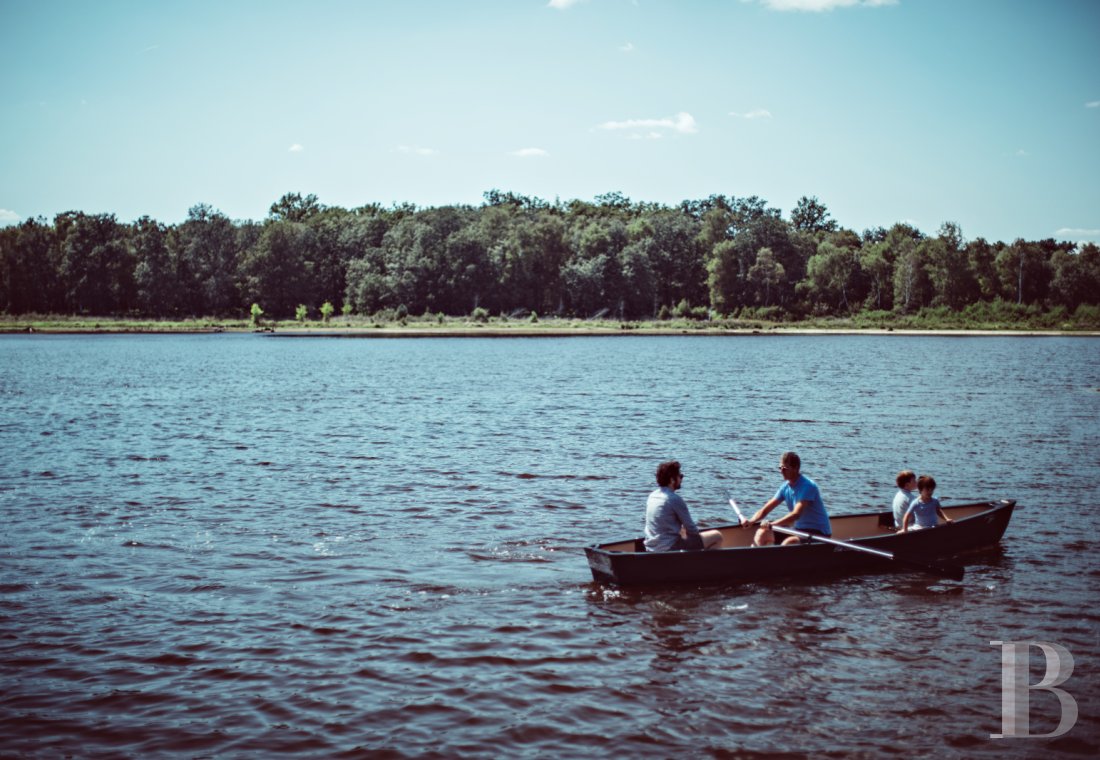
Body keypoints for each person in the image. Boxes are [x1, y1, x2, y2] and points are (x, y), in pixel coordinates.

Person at [744, 451, 832, 546]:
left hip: (819, 534)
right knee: (762, 532)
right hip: (799, 530)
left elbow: (795, 515)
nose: (781, 471)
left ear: (796, 469)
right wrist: (751, 521)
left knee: (789, 542)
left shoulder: (808, 486)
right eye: (780, 468)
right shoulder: (785, 487)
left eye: (785, 468)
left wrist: (772, 525)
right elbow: (764, 511)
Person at [643, 461, 723, 552]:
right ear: (672, 480)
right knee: (717, 536)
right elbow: (692, 531)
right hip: (669, 548)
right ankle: (707, 565)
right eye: (680, 476)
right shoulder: (674, 499)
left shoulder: (652, 496)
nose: (681, 479)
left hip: (651, 548)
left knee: (682, 533)